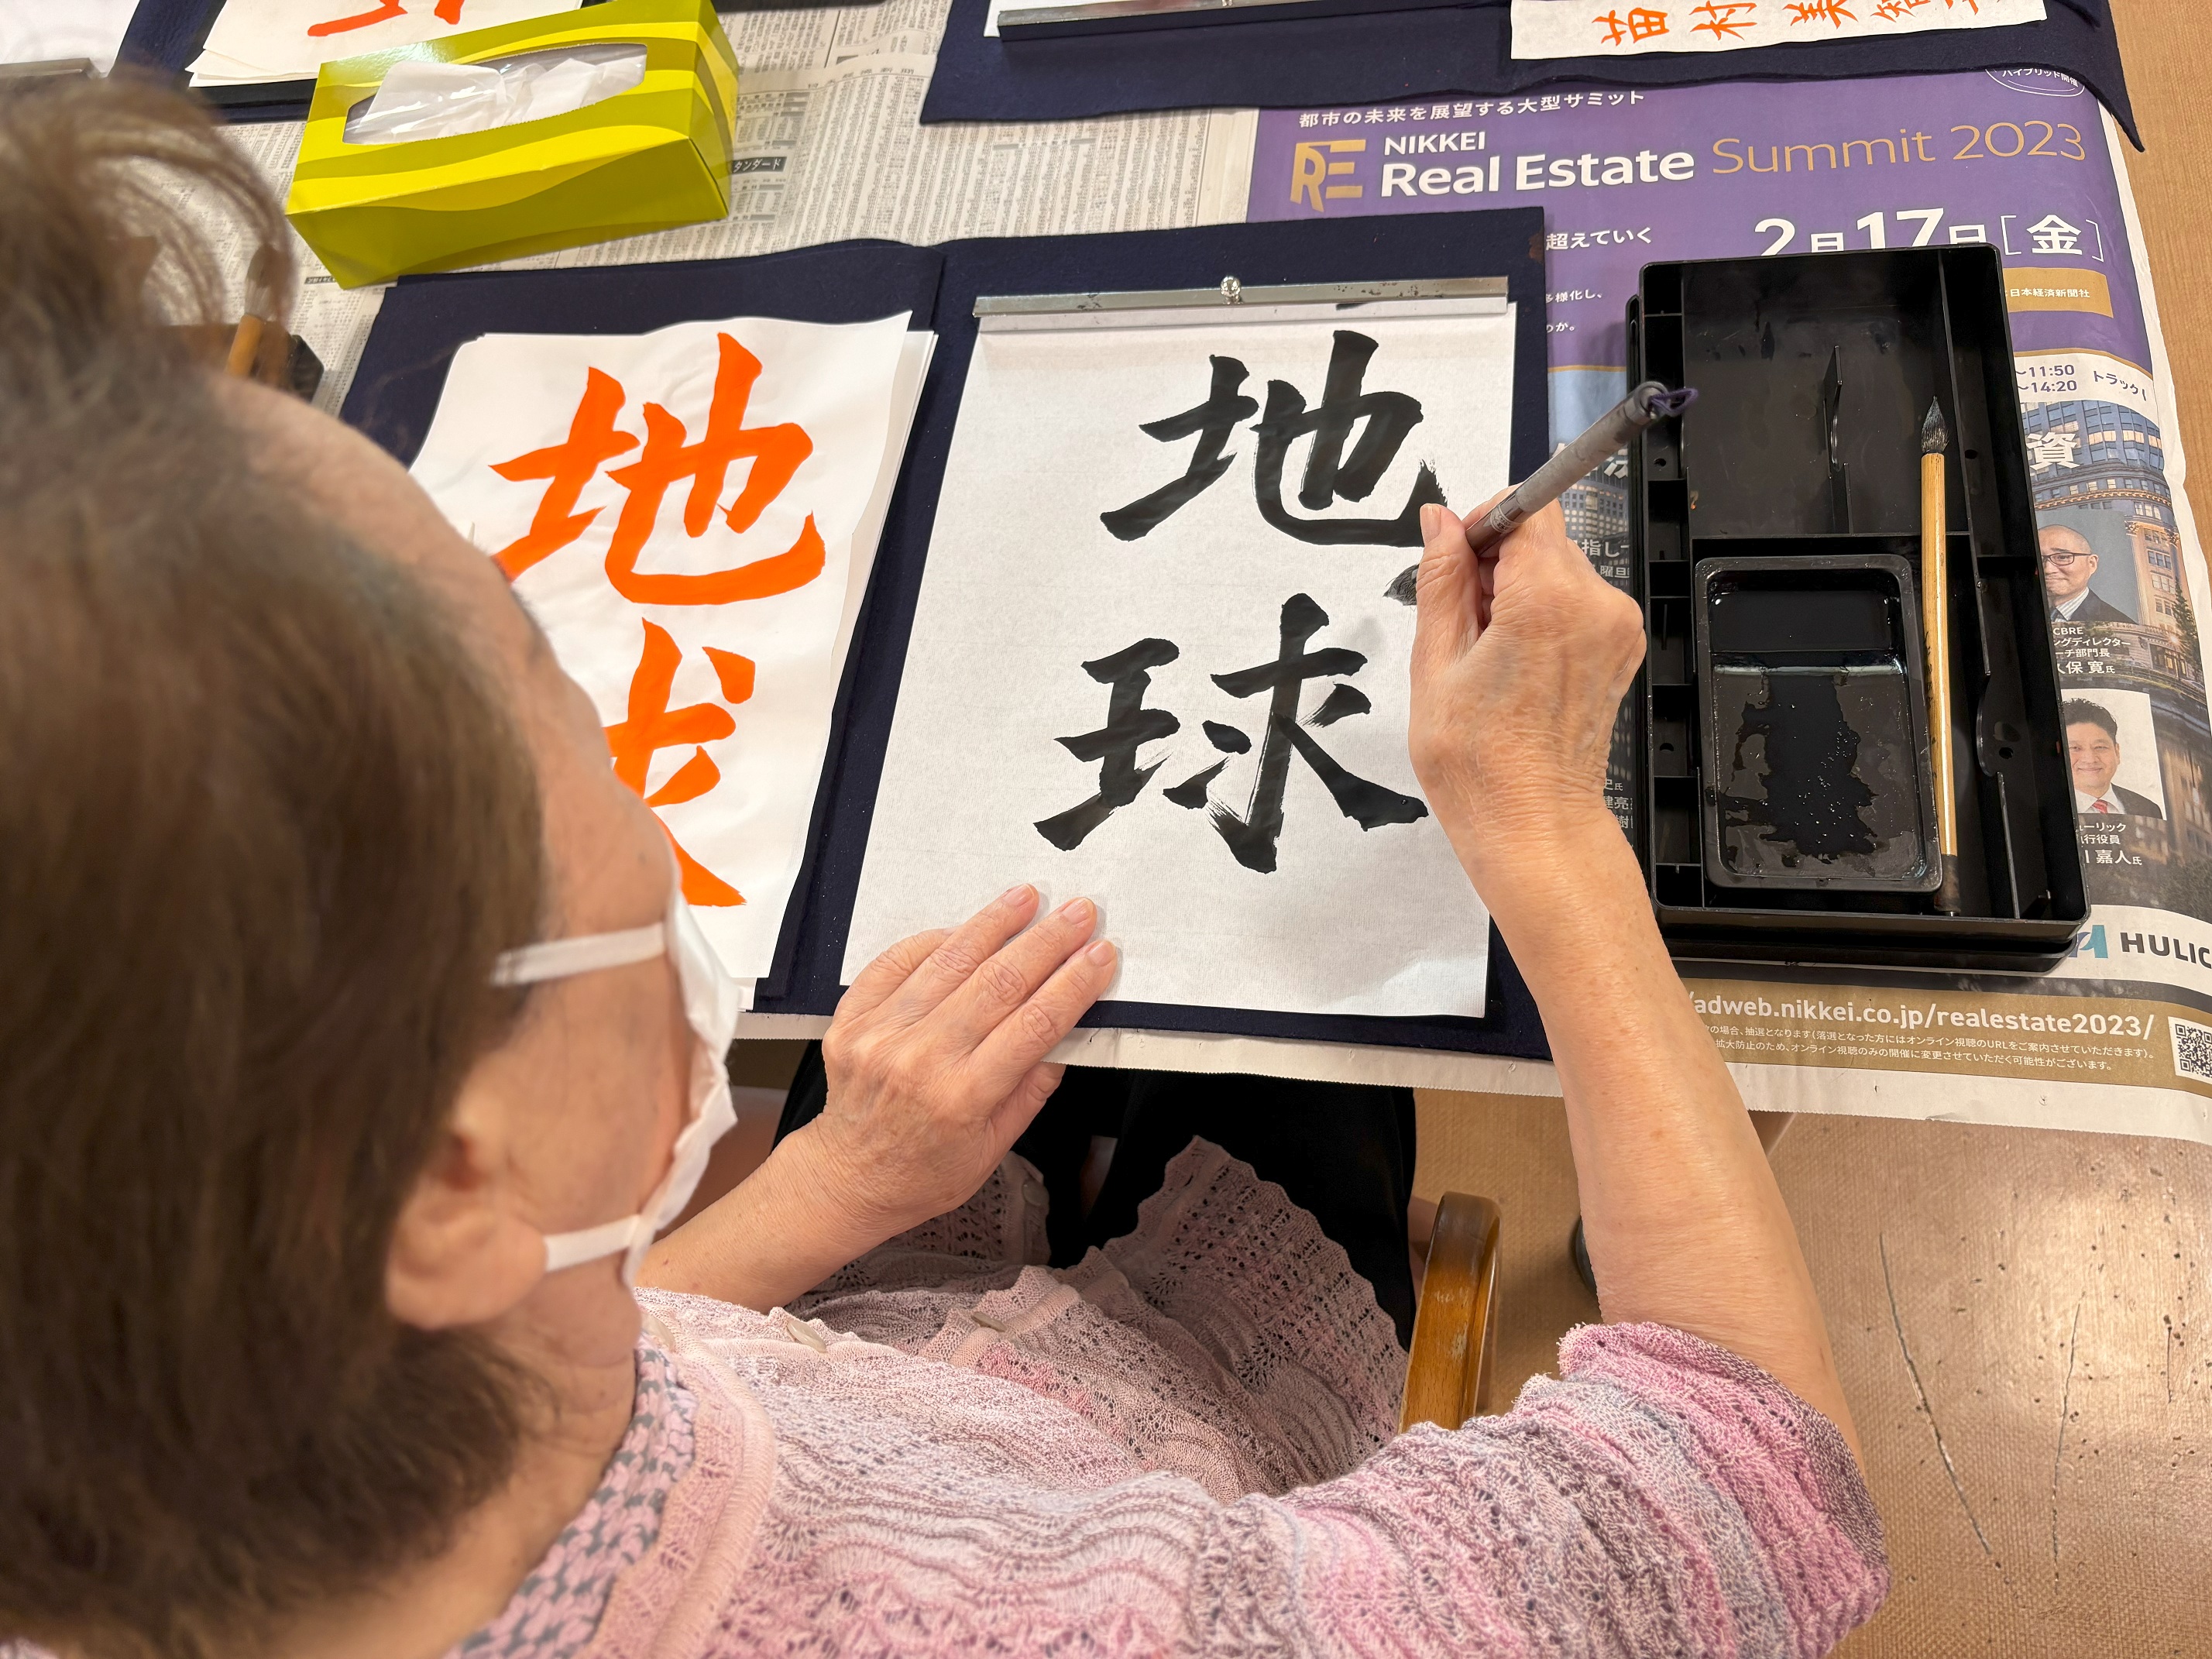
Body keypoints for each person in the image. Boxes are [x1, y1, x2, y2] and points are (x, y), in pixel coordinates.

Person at [0, 81, 1886, 1659]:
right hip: (1213, 1406)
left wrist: (827, 1184)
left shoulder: (210, 1378)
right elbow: (1742, 1479)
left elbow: (585, 1353)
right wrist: (1549, 830)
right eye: (539, 698)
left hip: (879, 1248)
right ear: (455, 1169)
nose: (610, 737)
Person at [2065, 698, 2165, 819]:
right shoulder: (2043, 810)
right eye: (2075, 748)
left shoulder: (2148, 808)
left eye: (2100, 747)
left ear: (2117, 752)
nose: (2090, 759)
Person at [2041, 522, 2135, 624]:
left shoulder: (2118, 622)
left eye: (2062, 557)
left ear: (2091, 564)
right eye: (2038, 558)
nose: (2048, 570)